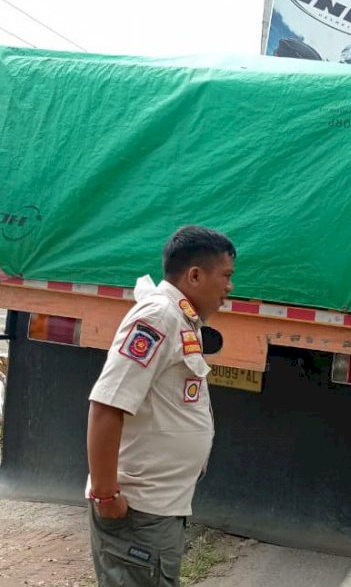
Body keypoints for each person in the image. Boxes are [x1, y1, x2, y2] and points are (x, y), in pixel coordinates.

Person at [86, 225, 235, 586]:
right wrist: (107, 496)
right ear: (195, 275)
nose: (230, 288)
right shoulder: (158, 317)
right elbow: (107, 406)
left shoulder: (182, 319)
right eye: (226, 276)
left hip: (158, 508)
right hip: (137, 511)